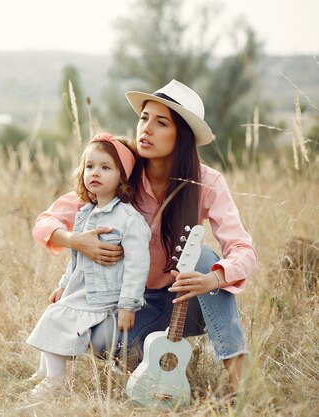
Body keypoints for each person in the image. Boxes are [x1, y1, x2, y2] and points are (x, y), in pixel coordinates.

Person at [32, 80, 257, 397]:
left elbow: (243, 251)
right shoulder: (122, 175)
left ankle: (241, 385)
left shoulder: (207, 182)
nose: (146, 129)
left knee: (205, 257)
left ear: (182, 136)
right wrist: (75, 240)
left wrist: (214, 280)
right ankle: (150, 363)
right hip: (138, 301)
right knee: (102, 341)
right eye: (143, 118)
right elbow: (47, 221)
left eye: (160, 122)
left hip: (188, 298)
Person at [26, 132, 151, 399]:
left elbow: (137, 266)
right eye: (90, 166)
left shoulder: (129, 220)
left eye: (106, 168)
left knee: (56, 318)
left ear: (122, 177)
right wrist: (63, 285)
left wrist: (128, 305)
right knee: (54, 313)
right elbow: (77, 258)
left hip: (104, 296)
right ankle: (44, 371)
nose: (95, 172)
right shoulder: (84, 213)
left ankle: (54, 382)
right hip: (81, 289)